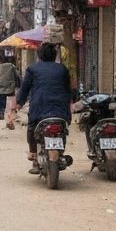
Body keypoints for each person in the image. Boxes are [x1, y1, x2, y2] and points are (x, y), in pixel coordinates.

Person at [10, 42, 73, 175]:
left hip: (39, 108)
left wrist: (19, 104)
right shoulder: (63, 69)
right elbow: (69, 89)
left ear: (39, 55)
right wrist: (72, 103)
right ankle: (61, 152)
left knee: (32, 127)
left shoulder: (32, 69)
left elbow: (25, 89)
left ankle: (33, 155)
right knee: (62, 130)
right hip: (61, 110)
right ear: (54, 55)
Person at [0, 51, 21, 126]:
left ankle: (1, 115)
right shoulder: (11, 66)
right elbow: (17, 76)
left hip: (0, 90)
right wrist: (18, 85)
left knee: (1, 103)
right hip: (10, 88)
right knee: (10, 104)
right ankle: (10, 117)